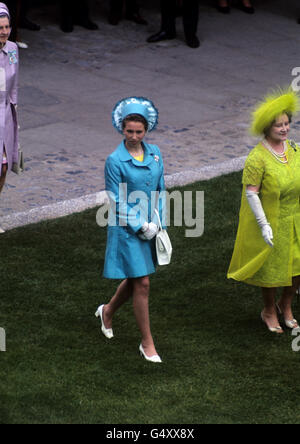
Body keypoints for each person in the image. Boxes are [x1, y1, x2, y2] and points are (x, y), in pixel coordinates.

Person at [95, 97, 166, 363]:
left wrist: (160, 222)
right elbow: (116, 199)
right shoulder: (115, 161)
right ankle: (147, 343)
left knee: (138, 278)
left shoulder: (156, 153)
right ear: (121, 130)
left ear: (146, 130)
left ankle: (108, 311)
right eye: (129, 131)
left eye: (139, 131)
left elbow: (161, 188)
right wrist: (140, 226)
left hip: (152, 225)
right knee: (143, 282)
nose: (134, 136)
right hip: (127, 229)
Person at [228, 89, 300, 334]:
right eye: (278, 125)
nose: (284, 129)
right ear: (266, 128)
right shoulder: (257, 158)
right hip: (274, 220)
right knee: (273, 269)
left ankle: (286, 305)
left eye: (286, 123)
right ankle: (269, 310)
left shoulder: (294, 149)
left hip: (297, 217)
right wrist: (264, 224)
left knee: (298, 267)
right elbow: (251, 192)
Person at [0, 2, 19, 233]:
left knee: (3, 168)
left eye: (6, 26)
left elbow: (15, 87)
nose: (4, 31)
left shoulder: (13, 49)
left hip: (6, 116)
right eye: (0, 27)